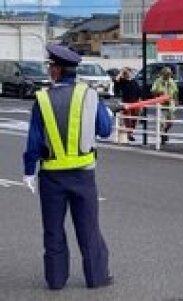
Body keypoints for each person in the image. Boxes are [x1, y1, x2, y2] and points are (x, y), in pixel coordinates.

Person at [22, 44, 113, 290]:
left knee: (53, 230)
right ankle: (96, 277)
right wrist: (108, 116)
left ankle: (55, 280)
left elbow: (34, 140)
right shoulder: (90, 95)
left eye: (52, 66)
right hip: (84, 175)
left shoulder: (42, 99)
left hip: (51, 176)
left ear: (59, 70)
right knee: (89, 229)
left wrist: (29, 170)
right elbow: (105, 130)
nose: (50, 70)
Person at [151, 67, 178, 145]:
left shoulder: (172, 81)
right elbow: (153, 91)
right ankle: (163, 136)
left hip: (170, 104)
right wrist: (159, 93)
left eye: (169, 74)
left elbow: (175, 91)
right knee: (161, 122)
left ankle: (164, 131)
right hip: (161, 104)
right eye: (166, 74)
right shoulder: (158, 81)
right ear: (162, 74)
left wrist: (176, 100)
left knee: (171, 121)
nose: (168, 76)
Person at [114, 67, 142, 141]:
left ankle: (130, 132)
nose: (127, 74)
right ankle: (129, 133)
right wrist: (120, 73)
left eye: (128, 73)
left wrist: (139, 99)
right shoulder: (122, 82)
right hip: (126, 102)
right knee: (127, 118)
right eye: (125, 73)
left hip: (135, 102)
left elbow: (139, 91)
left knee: (134, 118)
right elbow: (116, 85)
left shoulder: (134, 82)